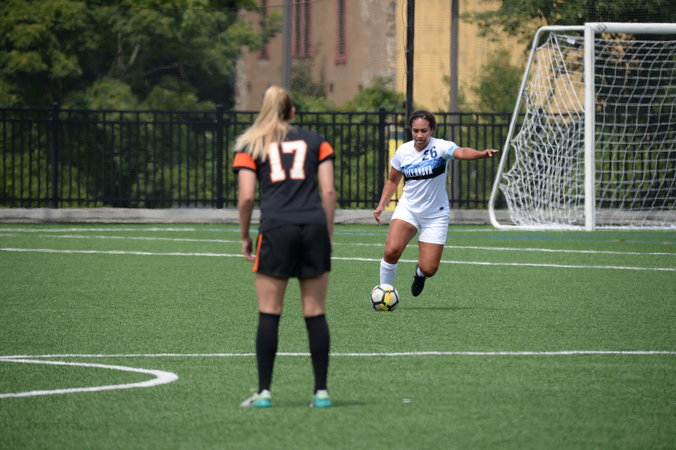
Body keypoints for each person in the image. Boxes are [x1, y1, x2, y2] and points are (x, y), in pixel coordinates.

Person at [232, 86, 336, 408]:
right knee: (315, 312)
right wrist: (327, 234)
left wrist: (245, 234)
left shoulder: (251, 144)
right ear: (292, 112)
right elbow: (328, 192)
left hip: (276, 229)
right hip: (314, 227)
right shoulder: (317, 141)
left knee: (269, 312)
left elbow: (246, 197)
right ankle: (321, 393)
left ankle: (264, 392)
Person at [373, 110, 498, 297]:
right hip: (408, 209)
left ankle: (419, 273)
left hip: (435, 214)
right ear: (411, 130)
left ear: (432, 130)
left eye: (424, 131)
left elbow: (460, 152)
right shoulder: (403, 151)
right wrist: (381, 205)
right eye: (415, 131)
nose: (419, 135)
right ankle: (385, 293)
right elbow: (392, 180)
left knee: (429, 269)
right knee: (391, 251)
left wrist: (480, 154)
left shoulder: (441, 147)